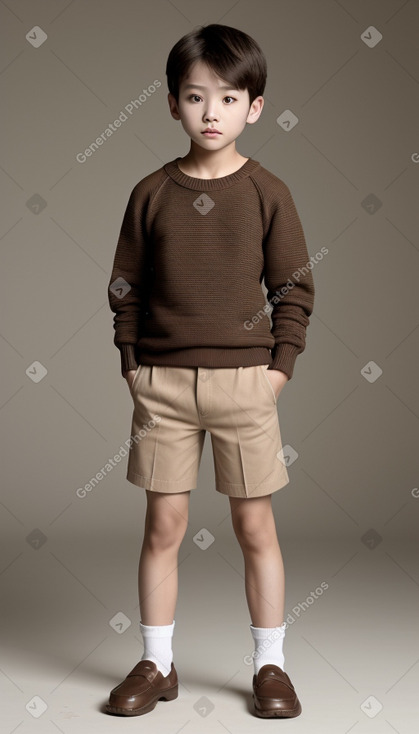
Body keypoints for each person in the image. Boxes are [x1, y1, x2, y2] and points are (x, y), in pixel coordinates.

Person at [105, 23, 314, 719]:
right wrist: (133, 365)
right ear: (172, 105)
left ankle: (270, 666)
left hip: (244, 386)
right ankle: (157, 663)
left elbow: (294, 288)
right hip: (161, 386)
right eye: (195, 97)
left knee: (256, 529)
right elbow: (125, 286)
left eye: (228, 98)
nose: (211, 113)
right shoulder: (149, 192)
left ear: (254, 106)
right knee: (161, 526)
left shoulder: (269, 191)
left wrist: (276, 372)